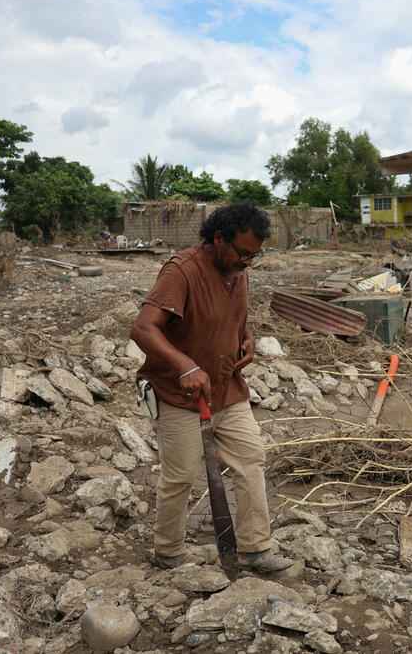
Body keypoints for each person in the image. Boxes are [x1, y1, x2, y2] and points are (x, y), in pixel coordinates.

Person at [129, 202, 292, 572]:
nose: (249, 262)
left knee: (250, 458)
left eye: (256, 255)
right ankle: (168, 552)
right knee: (182, 474)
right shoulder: (182, 271)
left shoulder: (238, 270)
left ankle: (254, 548)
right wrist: (186, 365)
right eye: (244, 253)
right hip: (176, 392)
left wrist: (247, 337)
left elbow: (234, 317)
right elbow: (142, 329)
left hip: (225, 388)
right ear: (219, 238)